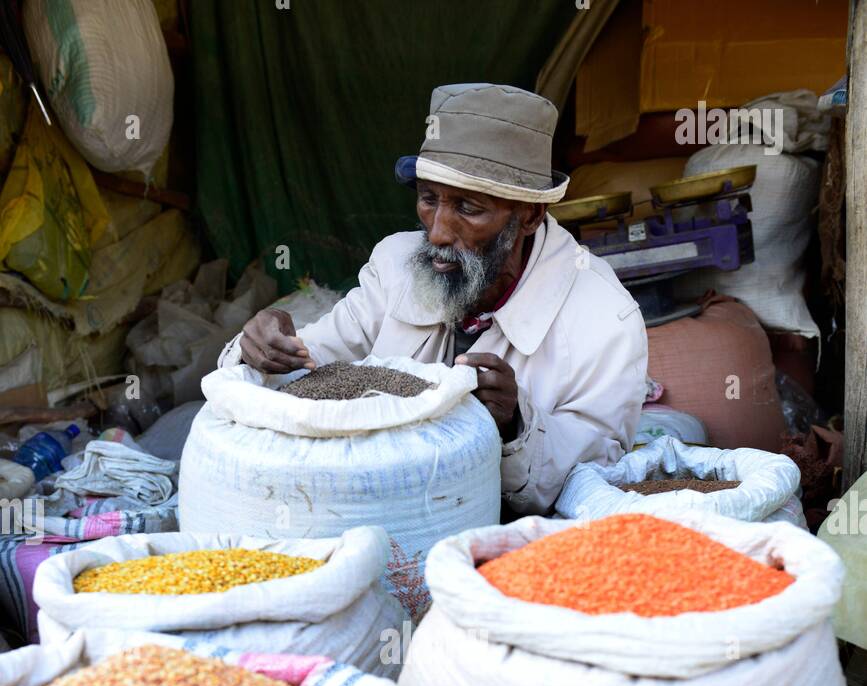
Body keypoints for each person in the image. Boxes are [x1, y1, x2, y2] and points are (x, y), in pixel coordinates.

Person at [222, 82, 648, 516]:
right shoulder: (396, 264)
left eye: (467, 208)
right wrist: (259, 347)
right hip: (379, 510)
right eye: (429, 200)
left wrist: (514, 425)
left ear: (529, 215)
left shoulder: (603, 317)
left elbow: (596, 481)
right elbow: (312, 360)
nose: (439, 232)